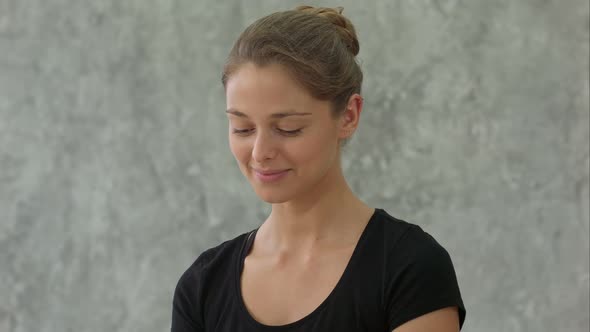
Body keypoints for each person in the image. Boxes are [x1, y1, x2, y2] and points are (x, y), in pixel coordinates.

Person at [171, 5, 466, 332]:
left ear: (349, 116)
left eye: (288, 128)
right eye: (242, 128)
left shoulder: (409, 268)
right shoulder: (202, 286)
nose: (260, 152)